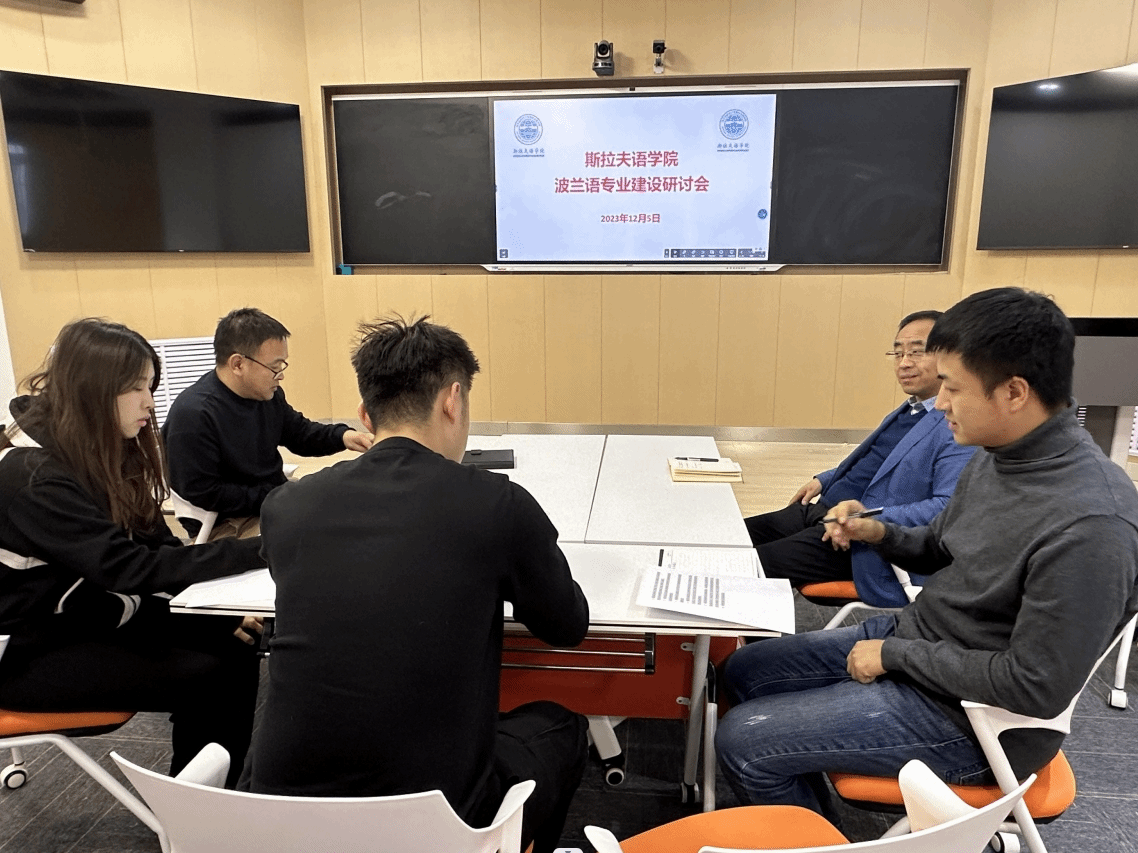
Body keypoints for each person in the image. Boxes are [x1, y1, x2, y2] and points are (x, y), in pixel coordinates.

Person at [715, 288, 1138, 817]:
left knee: (745, 740)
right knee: (743, 670)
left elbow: (1036, 687)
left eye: (953, 389)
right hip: (925, 644)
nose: (940, 404)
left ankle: (820, 836)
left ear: (1013, 392)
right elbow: (939, 546)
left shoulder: (1093, 525)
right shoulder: (997, 456)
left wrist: (894, 656)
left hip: (975, 723)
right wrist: (878, 532)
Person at [244, 316, 590, 853]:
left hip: (277, 818)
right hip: (437, 825)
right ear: (453, 400)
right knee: (560, 727)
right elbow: (567, 626)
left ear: (365, 414)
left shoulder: (286, 505)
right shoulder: (497, 505)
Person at [0, 319, 267, 786]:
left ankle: (204, 800)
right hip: (22, 652)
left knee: (234, 642)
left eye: (150, 386)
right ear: (92, 391)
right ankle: (194, 811)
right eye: (136, 388)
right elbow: (128, 569)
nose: (150, 401)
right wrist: (260, 550)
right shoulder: (29, 475)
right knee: (212, 673)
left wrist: (212, 612)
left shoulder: (94, 447)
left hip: (81, 616)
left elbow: (156, 544)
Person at [745, 310, 975, 606]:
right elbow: (881, 463)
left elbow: (945, 507)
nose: (904, 363)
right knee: (729, 538)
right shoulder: (912, 409)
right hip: (823, 511)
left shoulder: (955, 425)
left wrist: (865, 520)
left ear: (950, 358)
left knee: (747, 565)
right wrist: (825, 479)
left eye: (917, 352)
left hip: (856, 541)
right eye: (898, 353)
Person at [163, 307, 372, 539]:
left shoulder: (266, 395)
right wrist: (279, 494)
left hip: (269, 504)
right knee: (320, 538)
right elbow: (204, 493)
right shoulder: (193, 415)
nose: (281, 375)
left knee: (346, 513)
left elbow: (299, 433)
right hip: (227, 523)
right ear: (238, 364)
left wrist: (344, 436)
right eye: (274, 367)